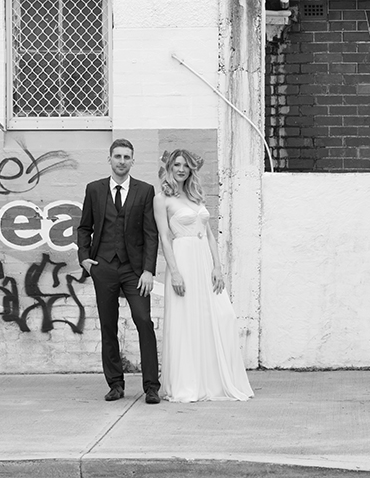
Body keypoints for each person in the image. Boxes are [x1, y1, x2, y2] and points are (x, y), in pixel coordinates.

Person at [154, 149, 254, 402]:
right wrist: (174, 272)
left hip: (204, 261)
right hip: (182, 261)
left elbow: (208, 233)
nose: (181, 169)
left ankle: (214, 380)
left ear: (191, 170)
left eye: (186, 165)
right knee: (186, 322)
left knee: (223, 315)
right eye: (176, 164)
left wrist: (217, 266)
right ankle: (187, 384)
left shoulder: (196, 195)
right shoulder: (162, 198)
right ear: (169, 167)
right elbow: (164, 237)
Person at [77, 139, 161, 404]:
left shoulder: (145, 191)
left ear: (132, 161)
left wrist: (148, 270)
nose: (122, 161)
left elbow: (151, 234)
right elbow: (84, 228)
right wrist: (84, 258)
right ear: (109, 159)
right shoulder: (95, 189)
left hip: (134, 271)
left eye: (127, 157)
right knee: (108, 326)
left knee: (144, 321)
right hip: (103, 267)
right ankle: (115, 384)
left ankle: (151, 386)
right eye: (117, 156)